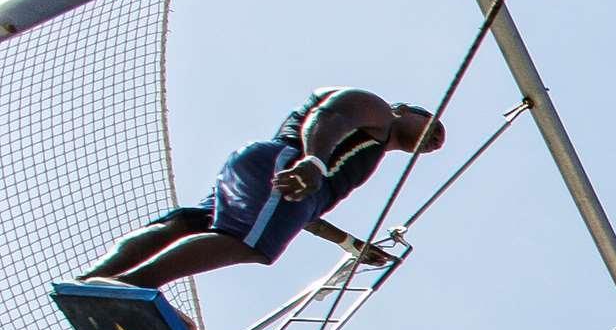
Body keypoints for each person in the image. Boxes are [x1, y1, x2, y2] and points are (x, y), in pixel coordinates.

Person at [83, 89, 444, 290]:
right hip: (289, 162)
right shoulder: (377, 110)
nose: (437, 140)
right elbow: (332, 116)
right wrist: (313, 162)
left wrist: (348, 244)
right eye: (433, 123)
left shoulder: (368, 148)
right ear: (404, 109)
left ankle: (98, 279)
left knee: (194, 225)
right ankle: (133, 284)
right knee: (251, 244)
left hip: (280, 174)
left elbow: (299, 213)